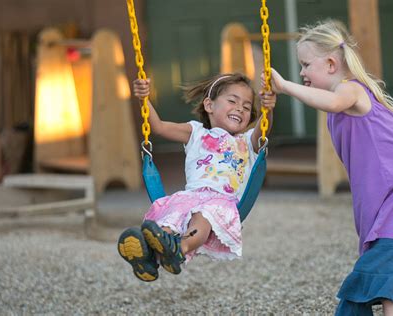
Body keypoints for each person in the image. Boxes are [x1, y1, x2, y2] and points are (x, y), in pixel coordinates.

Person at [267, 19, 393, 315]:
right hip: (392, 192)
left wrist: (285, 87)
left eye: (305, 65)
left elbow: (332, 103)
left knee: (387, 275)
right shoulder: (338, 101)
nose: (301, 72)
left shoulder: (350, 91)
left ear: (330, 63)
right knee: (386, 277)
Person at [118, 73, 276, 282]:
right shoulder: (196, 132)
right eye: (232, 101)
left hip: (222, 202)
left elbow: (264, 127)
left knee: (204, 216)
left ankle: (180, 249)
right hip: (191, 196)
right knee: (170, 217)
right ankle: (149, 257)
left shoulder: (247, 142)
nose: (240, 108)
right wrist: (144, 98)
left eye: (247, 107)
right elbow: (159, 127)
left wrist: (269, 108)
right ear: (209, 105)